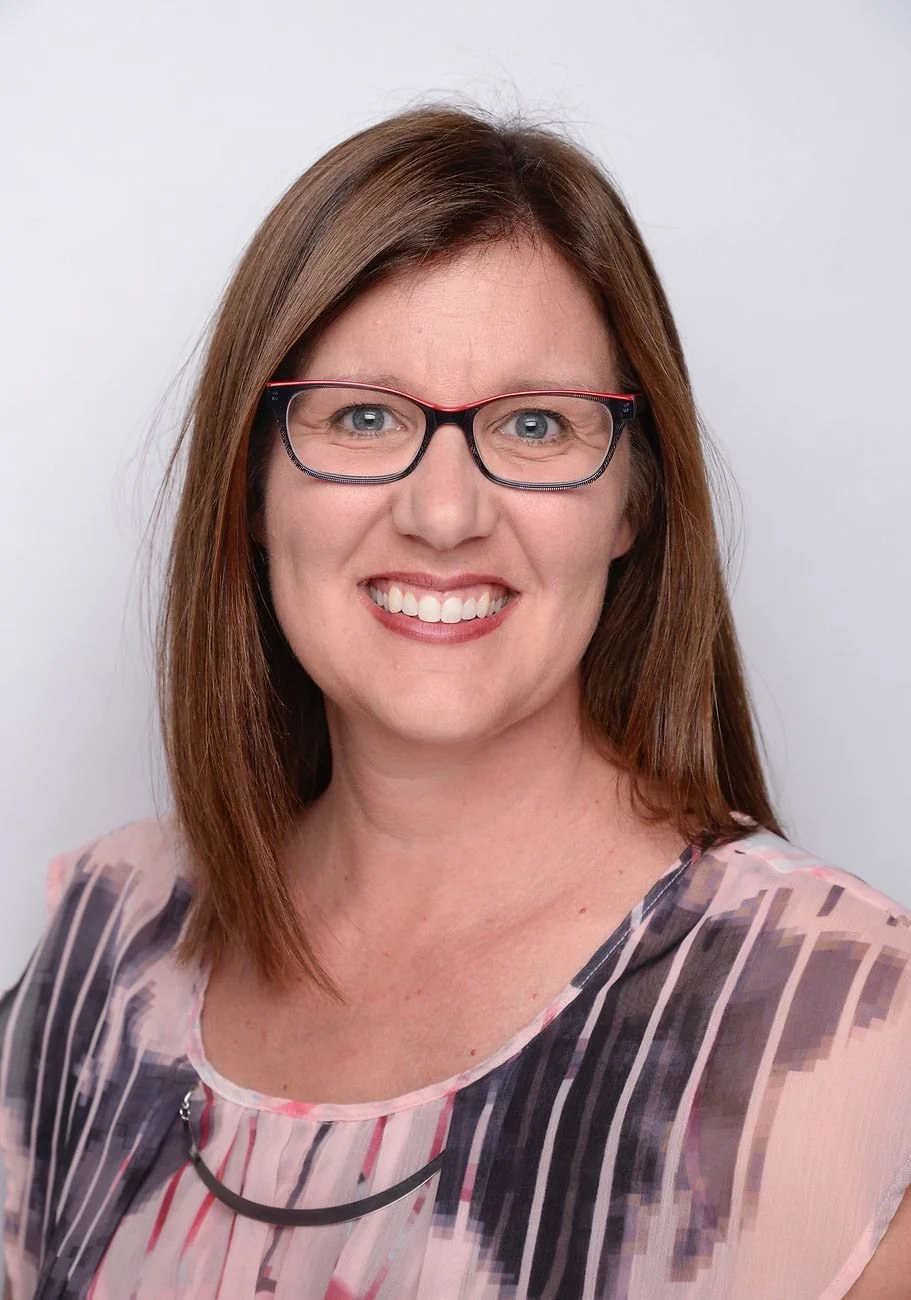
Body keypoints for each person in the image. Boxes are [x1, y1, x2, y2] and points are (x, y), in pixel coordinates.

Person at [1, 106, 908, 1300]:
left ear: (632, 500)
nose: (443, 513)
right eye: (363, 417)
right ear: (254, 487)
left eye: (534, 425)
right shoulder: (99, 958)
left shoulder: (843, 1028)